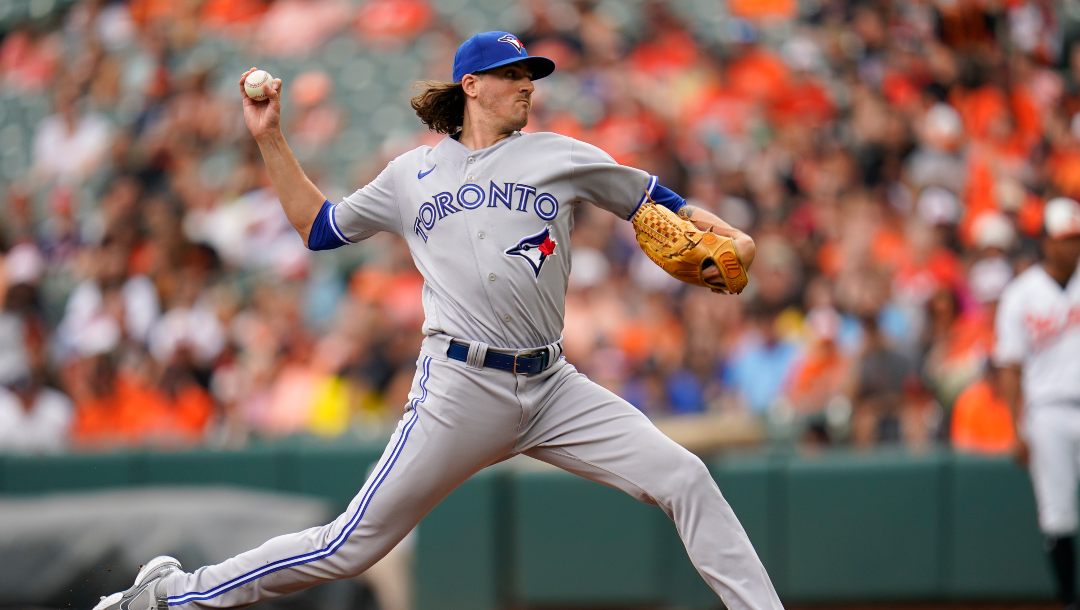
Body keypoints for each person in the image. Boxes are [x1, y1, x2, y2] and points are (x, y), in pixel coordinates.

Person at [94, 31, 782, 610]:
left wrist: (731, 235)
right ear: (472, 85)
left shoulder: (562, 157)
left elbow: (657, 201)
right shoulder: (411, 175)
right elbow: (318, 227)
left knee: (685, 477)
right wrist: (271, 137)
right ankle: (175, 595)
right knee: (348, 546)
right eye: (513, 75)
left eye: (531, 76)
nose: (527, 86)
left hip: (553, 387)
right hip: (461, 387)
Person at [994, 196, 1080, 610]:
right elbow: (1010, 366)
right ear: (1045, 240)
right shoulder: (1021, 294)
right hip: (1047, 411)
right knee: (1058, 513)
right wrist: (1016, 427)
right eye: (1064, 238)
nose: (1071, 246)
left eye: (1076, 238)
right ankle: (1068, 600)